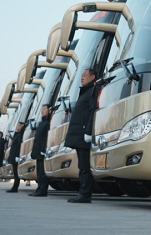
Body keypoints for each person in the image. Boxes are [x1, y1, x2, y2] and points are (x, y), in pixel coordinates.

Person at [64, 68, 99, 203]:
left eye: (85, 75)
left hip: (84, 134)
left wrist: (88, 132)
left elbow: (92, 112)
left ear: (93, 77)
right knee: (82, 166)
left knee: (84, 167)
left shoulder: (92, 91)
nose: (82, 78)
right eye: (82, 76)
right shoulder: (85, 92)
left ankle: (85, 194)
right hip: (79, 135)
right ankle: (82, 192)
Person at [29, 105, 51, 197]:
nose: (42, 111)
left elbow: (47, 138)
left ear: (49, 111)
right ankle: (39, 188)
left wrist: (43, 149)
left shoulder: (48, 123)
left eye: (44, 109)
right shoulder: (41, 123)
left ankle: (43, 190)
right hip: (38, 150)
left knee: (42, 172)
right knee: (39, 171)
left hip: (42, 151)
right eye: (42, 109)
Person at [6, 122, 24, 193]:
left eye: (18, 125)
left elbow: (18, 146)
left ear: (21, 127)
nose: (17, 127)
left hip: (16, 156)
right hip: (13, 156)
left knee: (16, 174)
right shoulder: (17, 134)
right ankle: (14, 187)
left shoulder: (20, 135)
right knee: (15, 173)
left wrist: (17, 156)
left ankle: (15, 187)